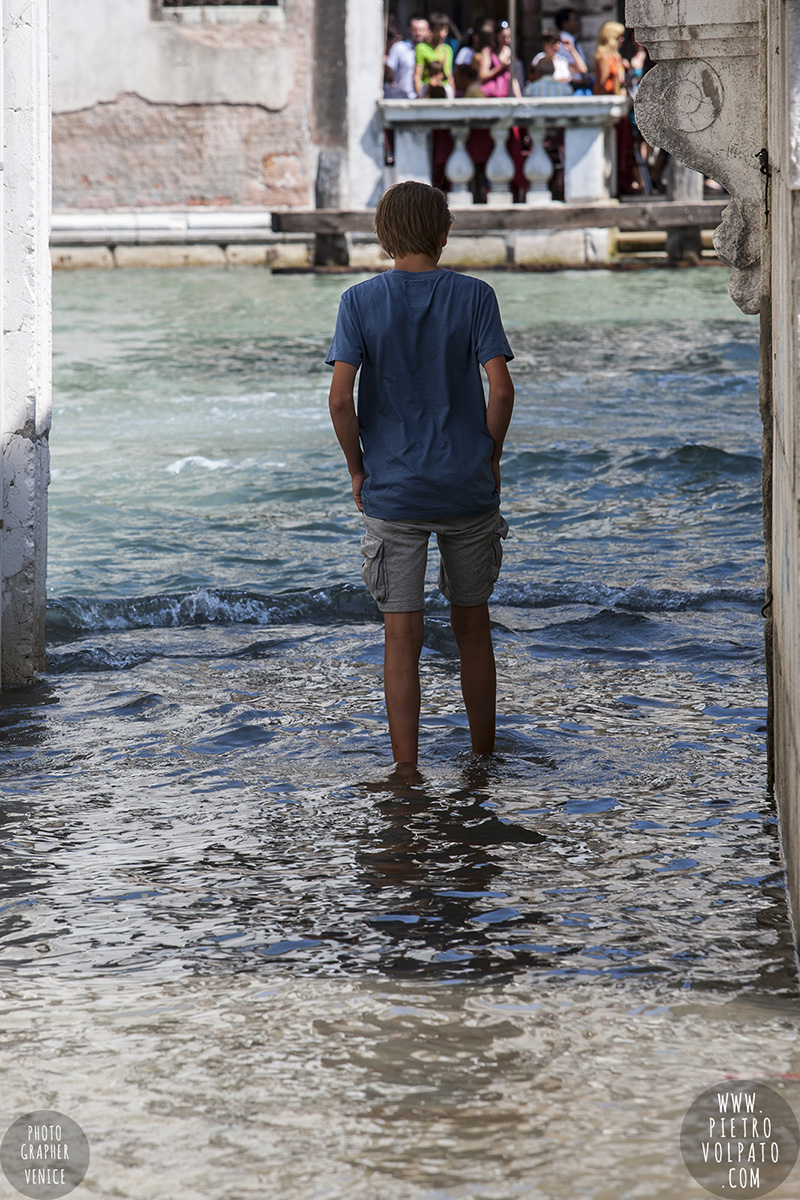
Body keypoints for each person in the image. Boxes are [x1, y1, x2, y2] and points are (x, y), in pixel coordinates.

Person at [326, 182, 515, 775]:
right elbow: (501, 388)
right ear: (444, 232)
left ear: (384, 237)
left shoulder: (358, 302)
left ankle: (406, 772)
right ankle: (482, 760)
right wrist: (491, 455)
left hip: (395, 491)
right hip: (466, 487)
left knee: (400, 638)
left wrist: (358, 469)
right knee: (472, 627)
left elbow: (339, 401)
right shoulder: (476, 296)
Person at [386, 13, 430, 99]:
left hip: (424, 99)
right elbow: (389, 71)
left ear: (428, 31)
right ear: (409, 30)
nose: (418, 33)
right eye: (415, 30)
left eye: (422, 30)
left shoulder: (433, 51)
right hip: (402, 99)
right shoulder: (399, 48)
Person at [415, 12, 455, 96]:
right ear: (432, 30)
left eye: (445, 30)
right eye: (438, 30)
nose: (442, 34)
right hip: (427, 91)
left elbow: (450, 77)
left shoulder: (447, 49)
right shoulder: (421, 48)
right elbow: (417, 76)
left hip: (444, 91)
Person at [554, 7, 590, 90]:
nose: (578, 23)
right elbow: (564, 63)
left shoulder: (573, 40)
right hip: (570, 85)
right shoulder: (562, 42)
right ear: (564, 23)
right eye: (574, 20)